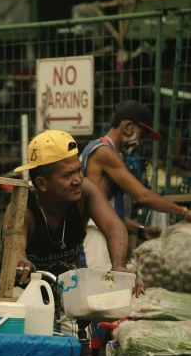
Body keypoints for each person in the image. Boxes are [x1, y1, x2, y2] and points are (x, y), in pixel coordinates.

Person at [0, 129, 130, 356]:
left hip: (63, 285)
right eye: (67, 174)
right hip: (21, 289)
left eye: (77, 169)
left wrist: (120, 266)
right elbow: (14, 243)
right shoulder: (23, 206)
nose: (77, 178)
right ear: (41, 182)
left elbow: (114, 226)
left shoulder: (85, 194)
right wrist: (21, 260)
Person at [81, 100, 191, 271]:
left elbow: (105, 208)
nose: (141, 142)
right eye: (142, 135)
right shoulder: (105, 152)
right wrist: (184, 212)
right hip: (95, 234)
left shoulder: (100, 149)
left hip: (101, 229)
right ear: (128, 127)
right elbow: (143, 196)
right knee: (98, 290)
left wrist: (140, 230)